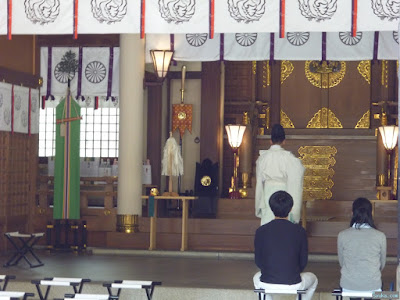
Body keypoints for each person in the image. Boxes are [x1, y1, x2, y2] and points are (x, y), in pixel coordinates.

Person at [253, 191, 318, 300]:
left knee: (256, 278)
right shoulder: (300, 231)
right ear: (291, 208)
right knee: (314, 279)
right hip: (294, 281)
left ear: (271, 207)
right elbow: (303, 262)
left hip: (267, 281)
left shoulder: (261, 231)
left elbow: (258, 261)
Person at [255, 124, 305, 225]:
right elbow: (296, 182)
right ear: (284, 141)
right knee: (284, 224)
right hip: (284, 194)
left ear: (270, 141)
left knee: (268, 223)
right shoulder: (290, 159)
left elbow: (259, 184)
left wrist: (259, 205)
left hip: (267, 194)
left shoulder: (262, 158)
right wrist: (295, 211)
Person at [338, 197, 386, 296]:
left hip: (349, 285)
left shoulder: (342, 235)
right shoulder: (380, 236)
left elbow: (342, 262)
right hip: (373, 285)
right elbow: (382, 264)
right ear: (371, 214)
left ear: (352, 213)